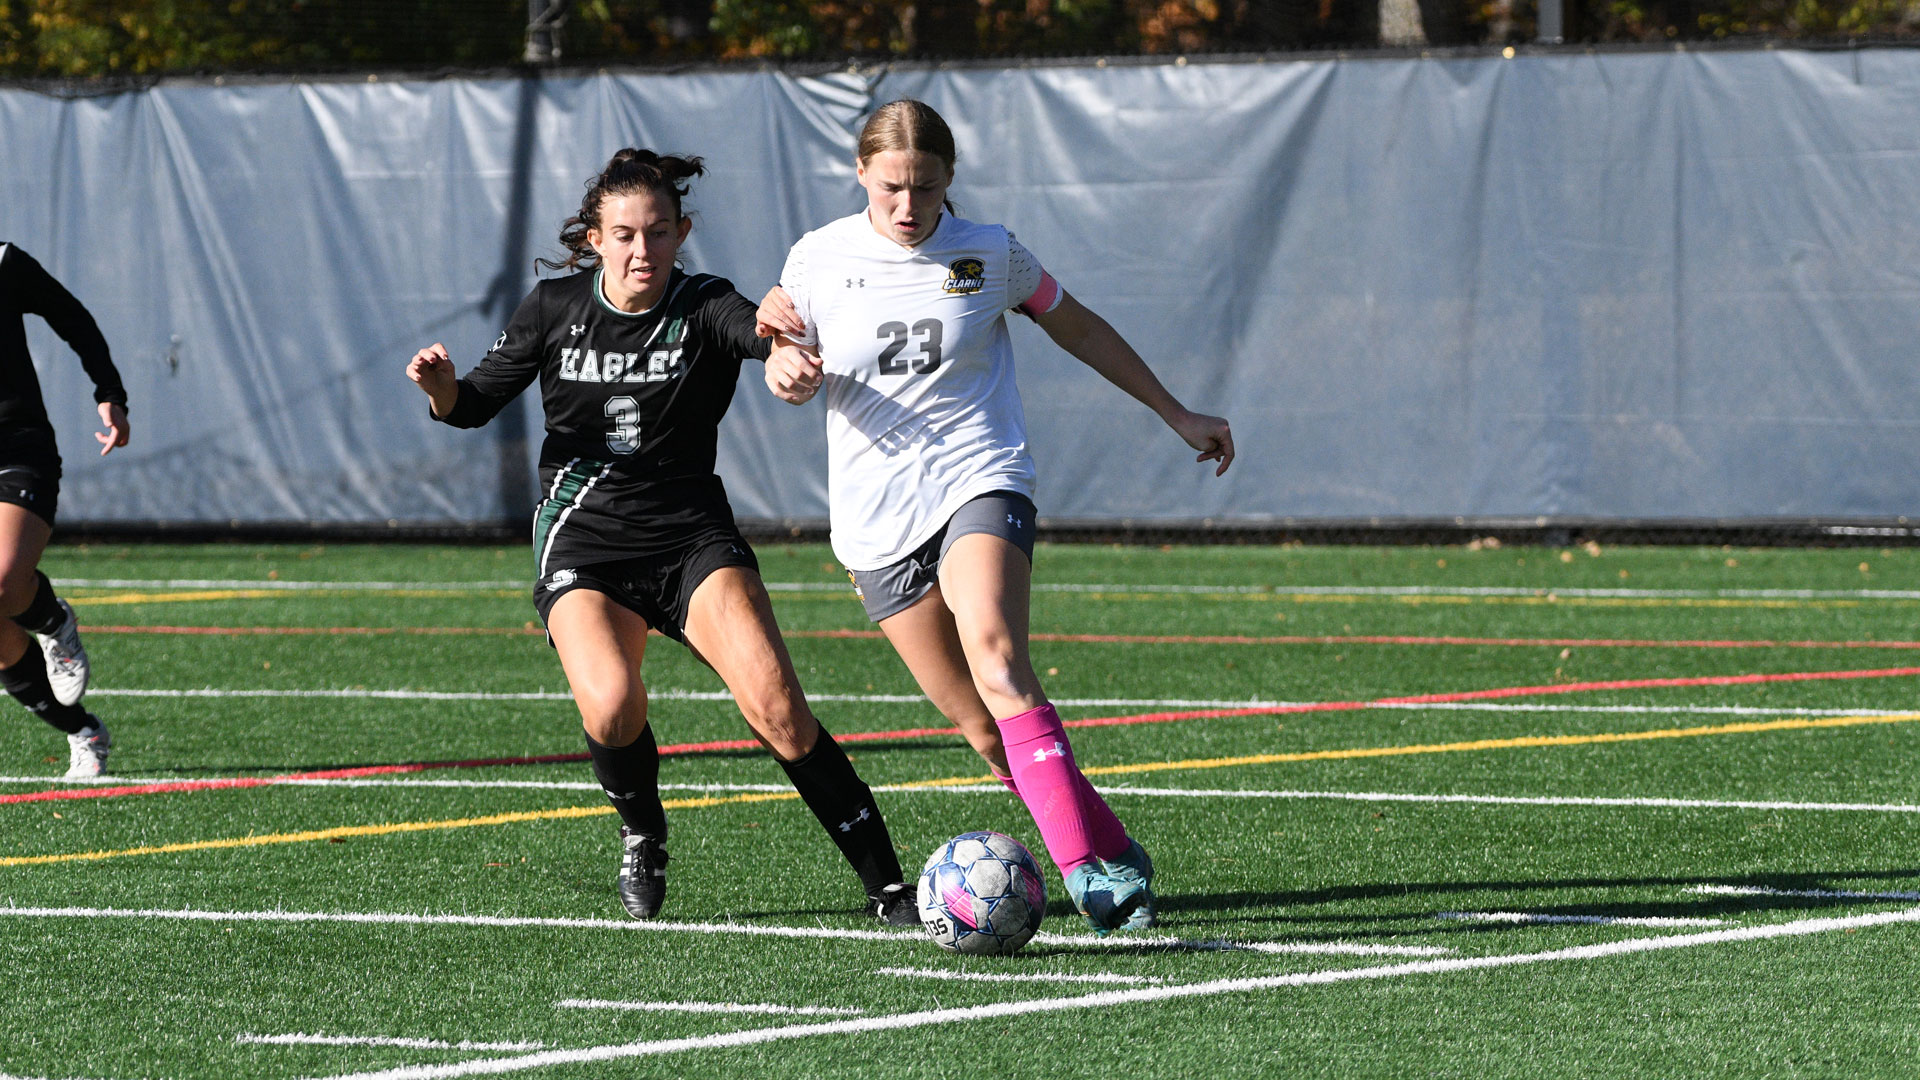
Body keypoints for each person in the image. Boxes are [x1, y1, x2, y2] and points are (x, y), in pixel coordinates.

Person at [756, 100, 1235, 935]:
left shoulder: (990, 254)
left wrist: (1175, 411)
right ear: (861, 175)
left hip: (981, 476)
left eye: (927, 188)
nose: (909, 207)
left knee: (999, 659)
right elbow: (776, 342)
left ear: (951, 181)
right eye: (893, 188)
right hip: (874, 523)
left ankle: (1087, 873)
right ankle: (1116, 849)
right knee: (983, 730)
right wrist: (782, 366)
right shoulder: (816, 259)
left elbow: (1078, 326)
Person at [406, 149, 916, 925]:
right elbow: (473, 402)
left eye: (657, 233)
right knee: (611, 704)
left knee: (778, 705)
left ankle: (888, 887)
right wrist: (442, 390)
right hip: (585, 541)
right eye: (624, 235)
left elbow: (755, 333)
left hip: (689, 539)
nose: (642, 250)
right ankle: (643, 829)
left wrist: (783, 355)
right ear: (594, 239)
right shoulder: (553, 307)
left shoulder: (702, 301)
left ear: (681, 232)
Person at [0, 242, 129, 779]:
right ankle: (82, 730)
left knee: (4, 583)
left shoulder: (4, 262)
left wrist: (110, 392)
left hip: (17, 449)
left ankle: (54, 620)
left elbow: (71, 316)